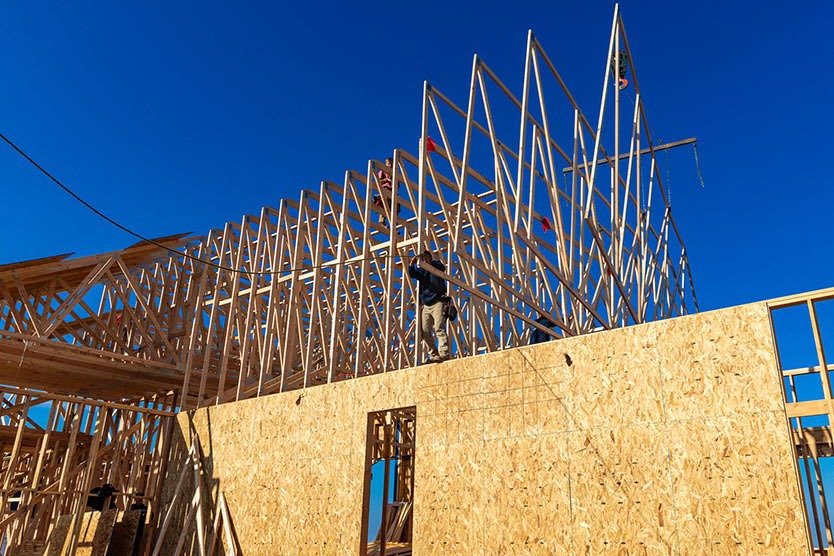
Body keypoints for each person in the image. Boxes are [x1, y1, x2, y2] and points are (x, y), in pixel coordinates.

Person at [407, 250, 450, 363]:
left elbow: (442, 268)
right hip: (426, 305)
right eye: (423, 259)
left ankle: (444, 353)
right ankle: (434, 355)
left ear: (429, 258)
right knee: (425, 331)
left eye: (426, 258)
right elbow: (412, 274)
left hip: (438, 301)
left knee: (439, 327)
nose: (424, 260)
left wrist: (429, 262)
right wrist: (412, 263)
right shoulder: (422, 271)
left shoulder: (435, 266)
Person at [374, 157, 400, 226]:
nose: (390, 165)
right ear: (386, 164)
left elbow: (398, 185)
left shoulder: (394, 174)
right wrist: (386, 180)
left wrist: (394, 183)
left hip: (392, 191)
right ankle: (382, 221)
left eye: (392, 164)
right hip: (385, 189)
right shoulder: (382, 171)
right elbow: (378, 181)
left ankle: (394, 224)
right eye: (389, 164)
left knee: (396, 206)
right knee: (385, 204)